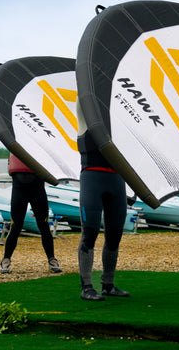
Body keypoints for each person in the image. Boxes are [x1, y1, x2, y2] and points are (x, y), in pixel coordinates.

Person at [76, 129, 129, 301]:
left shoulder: (116, 119)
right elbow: (83, 102)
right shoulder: (87, 114)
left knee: (115, 235)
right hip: (92, 177)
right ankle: (87, 287)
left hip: (117, 179)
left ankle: (108, 284)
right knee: (89, 234)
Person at [0, 154, 60, 274]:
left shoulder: (37, 144)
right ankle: (6, 260)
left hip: (37, 189)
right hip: (19, 189)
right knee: (16, 226)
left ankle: (52, 259)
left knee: (44, 226)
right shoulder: (15, 142)